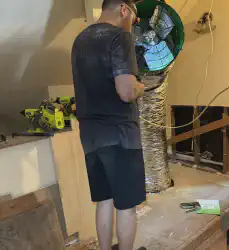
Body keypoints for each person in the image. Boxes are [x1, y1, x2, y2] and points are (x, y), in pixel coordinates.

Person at [71, 1, 146, 249]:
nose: (133, 24)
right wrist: (140, 87)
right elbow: (126, 91)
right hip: (120, 136)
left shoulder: (79, 40)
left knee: (104, 200)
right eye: (134, 18)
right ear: (124, 9)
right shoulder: (120, 37)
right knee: (126, 205)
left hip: (91, 137)